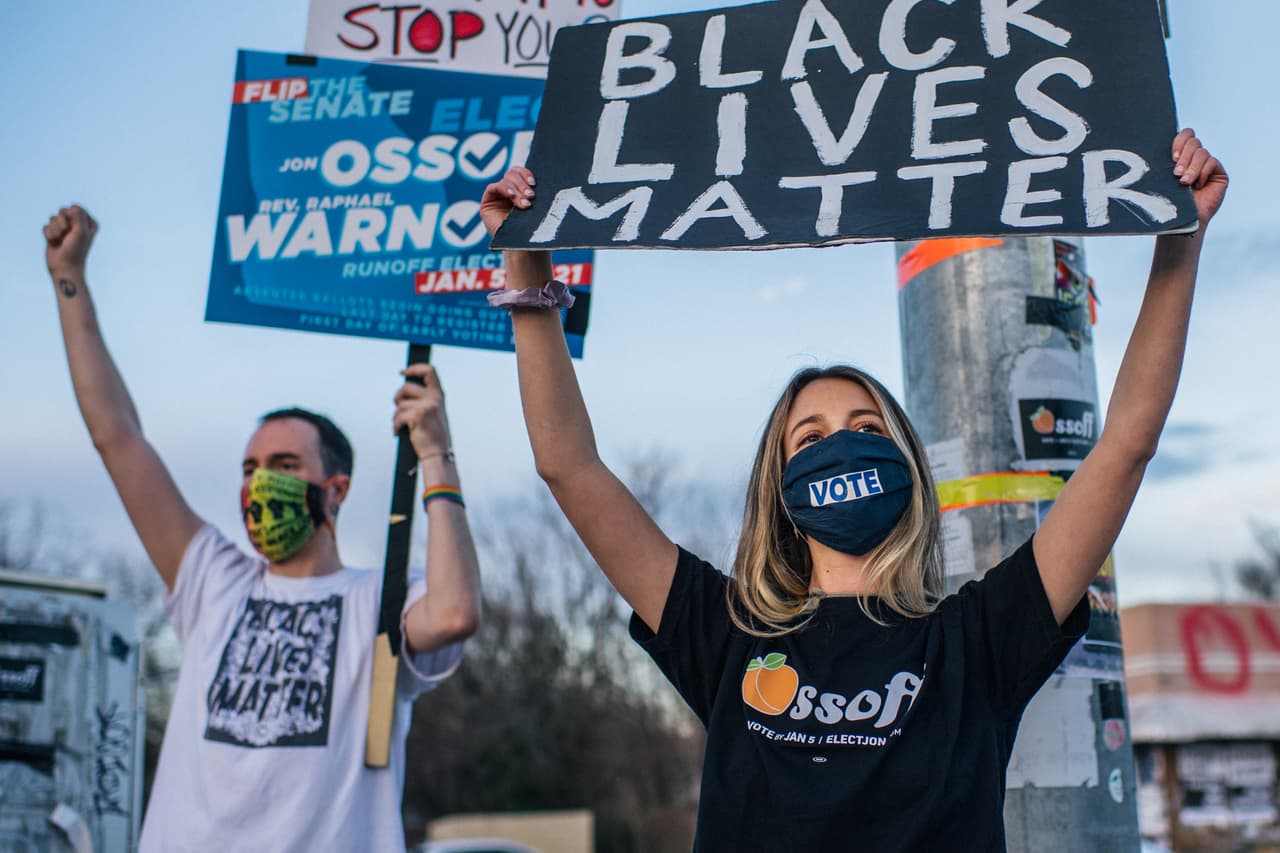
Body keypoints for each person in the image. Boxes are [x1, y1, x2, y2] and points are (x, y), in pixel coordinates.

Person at [477, 127, 1227, 851]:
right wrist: (525, 265)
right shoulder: (725, 633)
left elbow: (1126, 443)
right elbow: (568, 465)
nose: (840, 445)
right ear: (781, 490)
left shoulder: (979, 640)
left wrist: (1181, 237)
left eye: (866, 427)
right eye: (810, 438)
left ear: (907, 464)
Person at [42, 205, 481, 853]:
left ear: (335, 489)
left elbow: (453, 612)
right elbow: (117, 436)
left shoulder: (378, 599)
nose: (259, 484)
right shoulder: (211, 580)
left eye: (283, 465)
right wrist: (69, 278)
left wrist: (436, 454)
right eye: (250, 468)